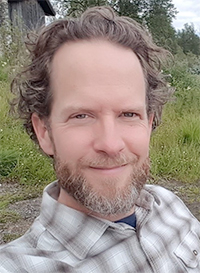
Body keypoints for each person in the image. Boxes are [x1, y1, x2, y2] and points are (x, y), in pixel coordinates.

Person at [0, 6, 199, 273]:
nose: (110, 143)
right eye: (81, 115)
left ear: (149, 123)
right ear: (44, 131)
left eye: (129, 114)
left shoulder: (170, 205)